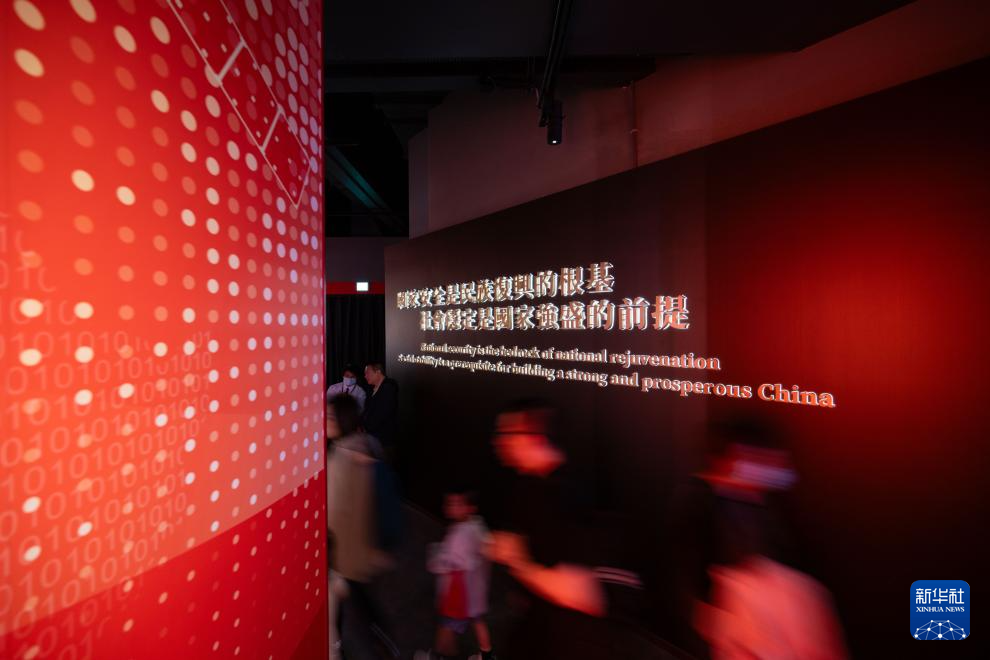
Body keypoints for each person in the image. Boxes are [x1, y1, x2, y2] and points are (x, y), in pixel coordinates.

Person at [483, 400, 644, 659]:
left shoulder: (570, 495)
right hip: (542, 631)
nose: (498, 441)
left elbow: (582, 592)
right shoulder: (529, 486)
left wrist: (517, 562)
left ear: (535, 437)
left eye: (506, 433)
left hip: (572, 642)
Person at [325, 393, 398, 659]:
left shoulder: (341, 458)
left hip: (349, 554)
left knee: (354, 607)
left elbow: (333, 512)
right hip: (364, 549)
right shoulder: (367, 445)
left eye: (330, 416)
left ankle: (372, 647)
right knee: (357, 605)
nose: (325, 420)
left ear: (342, 419)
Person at [415, 488, 496, 660]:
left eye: (458, 504)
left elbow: (452, 562)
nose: (452, 507)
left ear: (470, 508)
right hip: (473, 590)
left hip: (458, 589)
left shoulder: (461, 533)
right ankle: (486, 656)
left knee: (447, 623)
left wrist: (436, 559)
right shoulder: (477, 526)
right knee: (475, 621)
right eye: (450, 503)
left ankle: (439, 656)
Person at [362, 362, 398, 450]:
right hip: (373, 438)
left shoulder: (388, 388)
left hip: (384, 440)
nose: (365, 376)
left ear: (378, 372)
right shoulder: (372, 389)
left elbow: (381, 413)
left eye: (367, 373)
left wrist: (366, 427)